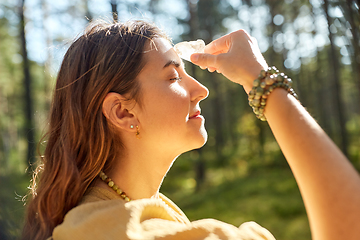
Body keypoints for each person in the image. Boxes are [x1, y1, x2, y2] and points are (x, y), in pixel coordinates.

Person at [21, 19, 360, 240]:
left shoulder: (101, 220)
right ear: (123, 111)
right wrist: (262, 83)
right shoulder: (126, 232)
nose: (202, 89)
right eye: (173, 77)